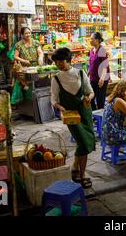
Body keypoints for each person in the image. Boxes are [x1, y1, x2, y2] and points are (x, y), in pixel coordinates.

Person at [51, 48, 95, 188]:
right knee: (83, 143)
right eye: (56, 62)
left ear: (69, 60)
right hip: (71, 115)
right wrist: (60, 108)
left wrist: (88, 98)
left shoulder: (80, 73)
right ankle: (82, 175)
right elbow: (54, 99)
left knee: (84, 142)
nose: (58, 64)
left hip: (85, 112)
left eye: (61, 61)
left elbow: (90, 92)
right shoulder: (56, 78)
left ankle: (75, 167)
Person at [101, 80, 126, 146]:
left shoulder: (114, 98)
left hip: (107, 133)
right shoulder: (119, 101)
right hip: (113, 136)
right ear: (125, 91)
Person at [88, 32, 110, 110]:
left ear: (97, 40)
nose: (90, 40)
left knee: (100, 100)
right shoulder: (91, 50)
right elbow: (91, 63)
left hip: (101, 79)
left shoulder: (102, 50)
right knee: (90, 97)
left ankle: (100, 117)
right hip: (93, 78)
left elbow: (105, 66)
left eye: (91, 39)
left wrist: (102, 79)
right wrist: (88, 73)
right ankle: (94, 114)